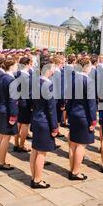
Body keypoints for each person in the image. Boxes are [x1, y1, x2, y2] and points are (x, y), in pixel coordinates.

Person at [30, 56, 59, 189]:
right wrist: (54, 127)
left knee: (35, 151)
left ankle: (34, 176)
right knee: (41, 153)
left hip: (36, 118)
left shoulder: (36, 82)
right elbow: (51, 109)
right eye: (53, 67)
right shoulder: (48, 85)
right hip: (44, 122)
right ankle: (37, 180)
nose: (54, 69)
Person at [67, 56, 97, 181]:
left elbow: (68, 99)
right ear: (86, 67)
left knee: (73, 144)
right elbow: (91, 103)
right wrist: (93, 120)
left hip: (74, 113)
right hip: (83, 116)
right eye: (89, 66)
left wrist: (68, 114)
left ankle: (72, 169)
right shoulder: (88, 81)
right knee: (81, 145)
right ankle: (75, 171)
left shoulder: (72, 79)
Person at [0, 57, 19, 171]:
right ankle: (1, 162)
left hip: (2, 108)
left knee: (1, 136)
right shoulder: (10, 79)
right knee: (5, 138)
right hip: (8, 111)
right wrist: (14, 115)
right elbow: (13, 100)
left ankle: (0, 160)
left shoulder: (3, 77)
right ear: (11, 66)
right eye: (16, 65)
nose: (17, 67)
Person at [14, 56, 33, 153]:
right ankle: (21, 145)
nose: (31, 65)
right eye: (30, 63)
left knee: (18, 123)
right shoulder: (26, 76)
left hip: (18, 101)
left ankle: (16, 143)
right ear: (26, 64)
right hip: (25, 102)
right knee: (25, 124)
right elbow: (29, 93)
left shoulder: (18, 74)